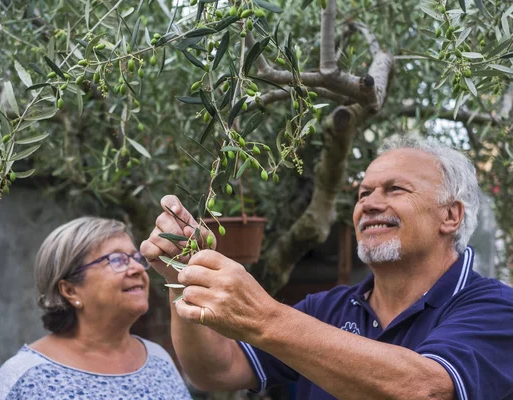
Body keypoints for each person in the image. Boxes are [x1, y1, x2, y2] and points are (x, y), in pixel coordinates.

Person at [141, 136, 513, 399]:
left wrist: (264, 318)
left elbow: (425, 388)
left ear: (450, 215)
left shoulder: (495, 308)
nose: (369, 203)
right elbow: (215, 370)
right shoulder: (326, 309)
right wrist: (181, 279)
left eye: (395, 189)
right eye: (363, 193)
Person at [0, 217, 191, 400]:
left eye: (136, 258)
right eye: (117, 260)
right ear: (70, 290)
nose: (137, 268)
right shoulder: (24, 374)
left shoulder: (158, 360)